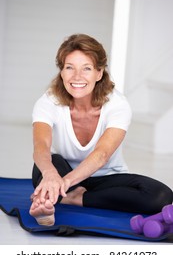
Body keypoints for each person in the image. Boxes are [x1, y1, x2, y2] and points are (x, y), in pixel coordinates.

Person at [29, 34, 173, 226]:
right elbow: (41, 146)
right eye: (69, 67)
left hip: (105, 177)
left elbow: (102, 154)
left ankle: (70, 198)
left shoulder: (117, 104)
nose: (77, 77)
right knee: (48, 162)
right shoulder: (48, 101)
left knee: (162, 196)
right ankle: (54, 195)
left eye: (86, 68)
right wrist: (50, 175)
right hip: (62, 171)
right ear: (61, 72)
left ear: (99, 73)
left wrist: (64, 185)